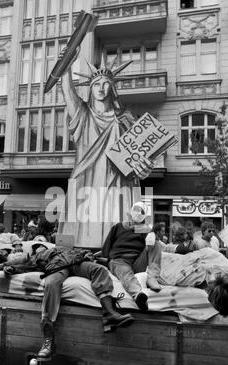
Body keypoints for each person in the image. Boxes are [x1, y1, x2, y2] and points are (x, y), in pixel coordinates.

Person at [58, 49, 154, 249]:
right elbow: (68, 91)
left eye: (106, 84)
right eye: (96, 85)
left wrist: (144, 168)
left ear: (113, 89)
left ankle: (122, 250)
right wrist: (67, 65)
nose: (101, 88)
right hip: (87, 180)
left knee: (122, 239)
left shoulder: (126, 119)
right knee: (83, 237)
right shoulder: (82, 114)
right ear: (90, 89)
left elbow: (139, 156)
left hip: (120, 183)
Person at [4, 243, 134, 361]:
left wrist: (86, 254)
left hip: (77, 263)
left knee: (99, 270)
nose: (40, 247)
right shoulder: (37, 256)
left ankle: (109, 313)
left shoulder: (65, 248)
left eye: (41, 245)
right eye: (37, 246)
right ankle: (48, 339)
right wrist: (13, 269)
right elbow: (25, 266)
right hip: (57, 267)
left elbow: (84, 251)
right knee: (51, 283)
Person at [102, 202, 162, 312]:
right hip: (119, 260)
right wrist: (105, 259)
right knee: (126, 273)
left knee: (155, 243)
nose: (139, 213)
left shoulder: (146, 230)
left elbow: (154, 247)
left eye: (142, 211)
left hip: (137, 262)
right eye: (137, 210)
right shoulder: (118, 227)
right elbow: (105, 249)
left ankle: (152, 278)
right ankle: (138, 295)